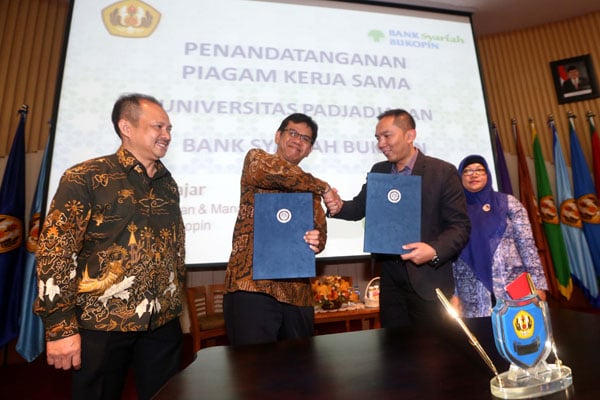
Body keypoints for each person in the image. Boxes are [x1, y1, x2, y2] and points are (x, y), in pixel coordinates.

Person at [34, 94, 186, 400]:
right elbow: (55, 252)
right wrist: (60, 326)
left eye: (169, 127)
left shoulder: (168, 184)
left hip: (162, 324)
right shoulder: (86, 178)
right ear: (126, 127)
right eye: (158, 126)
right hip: (101, 323)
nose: (167, 134)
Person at [325, 109, 471, 328]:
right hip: (391, 280)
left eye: (387, 136)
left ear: (409, 135)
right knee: (394, 353)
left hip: (428, 279)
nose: (381, 143)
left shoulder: (442, 172)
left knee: (434, 354)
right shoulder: (379, 170)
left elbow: (460, 226)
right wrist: (338, 206)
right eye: (377, 138)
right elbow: (359, 208)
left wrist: (433, 250)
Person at [224, 113, 339, 345]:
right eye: (292, 133)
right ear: (278, 136)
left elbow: (321, 235)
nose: (298, 140)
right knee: (253, 372)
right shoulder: (257, 161)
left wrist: (317, 240)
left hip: (297, 295)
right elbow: (281, 174)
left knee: (300, 374)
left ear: (309, 150)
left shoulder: (311, 192)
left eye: (305, 139)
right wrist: (324, 187)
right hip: (252, 288)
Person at [451, 155, 547, 318]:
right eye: (467, 171)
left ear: (487, 174)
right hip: (472, 292)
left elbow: (527, 247)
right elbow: (451, 256)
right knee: (481, 337)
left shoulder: (508, 203)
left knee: (519, 336)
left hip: (513, 286)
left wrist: (538, 285)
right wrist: (454, 294)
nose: (473, 174)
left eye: (479, 170)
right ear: (460, 177)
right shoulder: (454, 210)